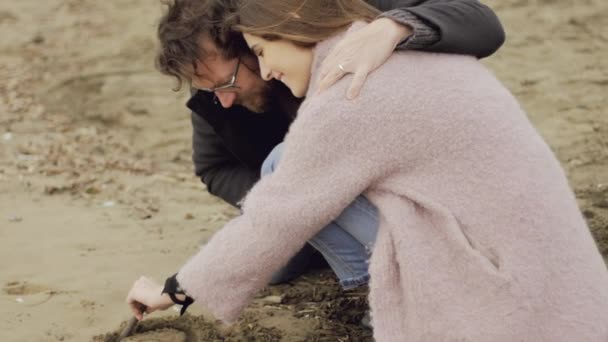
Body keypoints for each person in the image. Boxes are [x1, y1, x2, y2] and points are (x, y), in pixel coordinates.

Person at [127, 0, 608, 340]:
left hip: (511, 295)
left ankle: (380, 287)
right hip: (558, 266)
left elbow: (274, 218)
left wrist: (176, 291)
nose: (266, 69)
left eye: (261, 51)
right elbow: (227, 178)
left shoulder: (351, 87)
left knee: (284, 176)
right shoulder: (367, 53)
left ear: (288, 28)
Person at [156, 0, 506, 289]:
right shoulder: (217, 95)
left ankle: (417, 277)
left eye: (228, 82)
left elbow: (483, 24)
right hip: (310, 200)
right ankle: (366, 282)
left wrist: (395, 28)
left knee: (284, 167)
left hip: (414, 188)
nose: (224, 100)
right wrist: (289, 201)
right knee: (269, 266)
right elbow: (214, 169)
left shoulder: (323, 20)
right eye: (210, 89)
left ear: (253, 39)